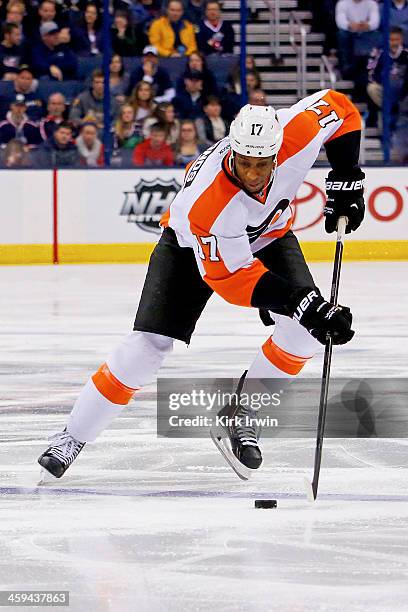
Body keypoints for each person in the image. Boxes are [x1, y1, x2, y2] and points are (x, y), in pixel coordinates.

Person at [37, 89, 365, 481]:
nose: (254, 176)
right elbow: (231, 278)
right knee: (147, 347)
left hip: (270, 236)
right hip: (188, 246)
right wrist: (303, 301)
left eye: (263, 165)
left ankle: (244, 410)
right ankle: (72, 436)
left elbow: (341, 108)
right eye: (244, 164)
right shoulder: (209, 204)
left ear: (278, 153)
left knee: (306, 333)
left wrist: (346, 178)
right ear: (232, 154)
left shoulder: (297, 130)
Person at [366, 26, 408, 128]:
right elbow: (369, 70)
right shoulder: (378, 52)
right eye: (391, 40)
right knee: (371, 88)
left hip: (404, 92)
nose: (393, 43)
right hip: (385, 91)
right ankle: (391, 109)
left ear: (401, 39)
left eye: (396, 39)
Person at [335, 0, 380, 80]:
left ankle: (371, 68)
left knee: (377, 35)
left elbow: (375, 22)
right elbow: (340, 22)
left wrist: (367, 25)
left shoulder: (372, 3)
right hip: (350, 32)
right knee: (342, 34)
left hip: (366, 32)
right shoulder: (342, 3)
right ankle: (346, 67)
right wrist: (350, 25)